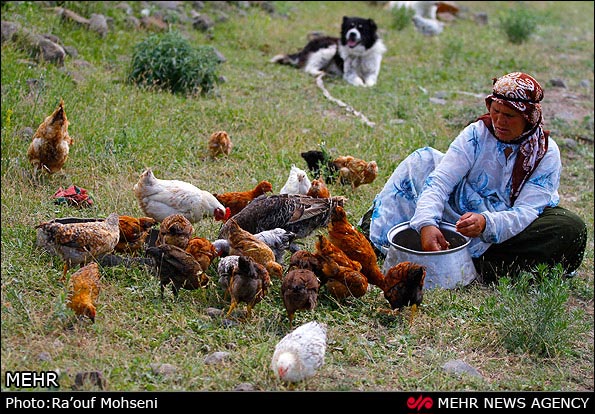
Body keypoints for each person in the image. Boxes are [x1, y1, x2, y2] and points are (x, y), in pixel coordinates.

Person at [359, 72, 587, 283]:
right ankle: (449, 254)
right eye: (495, 112)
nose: (499, 121)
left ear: (528, 117)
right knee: (422, 163)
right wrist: (427, 223)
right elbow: (440, 182)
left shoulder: (545, 153)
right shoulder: (476, 134)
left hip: (511, 221)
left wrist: (487, 223)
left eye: (509, 115)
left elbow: (526, 211)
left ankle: (478, 264)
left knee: (569, 227)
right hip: (459, 209)